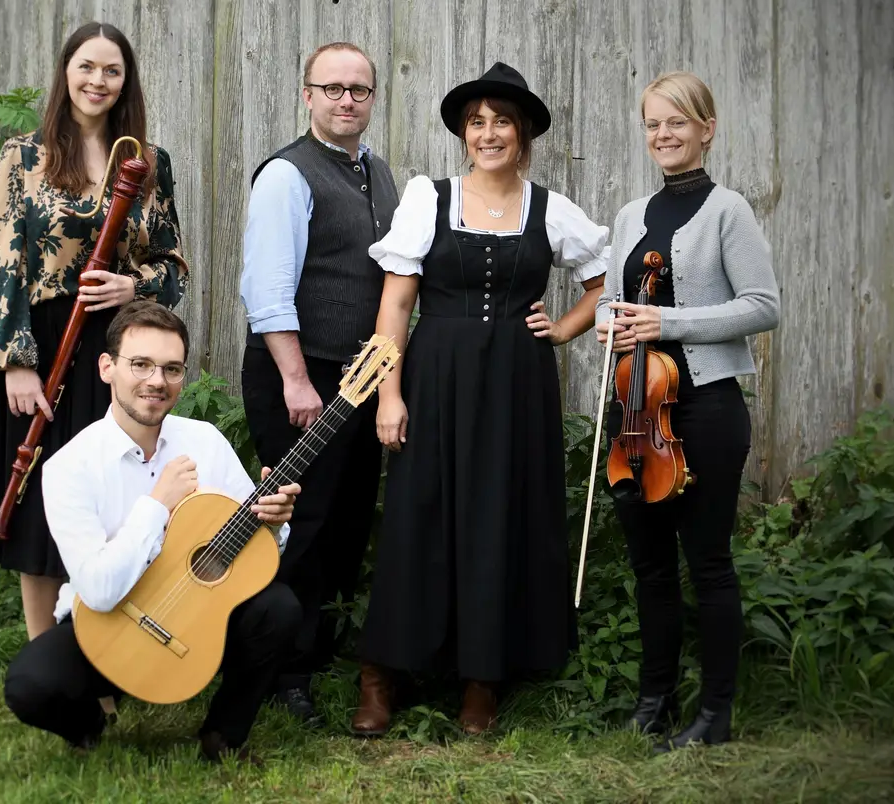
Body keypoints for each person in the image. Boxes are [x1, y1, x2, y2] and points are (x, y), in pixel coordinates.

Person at [352, 62, 609, 736]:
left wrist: (561, 330)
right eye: (477, 122)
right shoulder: (426, 199)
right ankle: (382, 675)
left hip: (518, 387)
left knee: (501, 520)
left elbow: (600, 286)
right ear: (464, 133)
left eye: (502, 122)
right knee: (417, 516)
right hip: (434, 378)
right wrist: (389, 395)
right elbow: (395, 306)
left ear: (522, 134)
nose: (488, 133)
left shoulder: (551, 209)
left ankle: (482, 678)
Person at [2, 302, 302, 762]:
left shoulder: (205, 441)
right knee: (29, 685)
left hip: (195, 618)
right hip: (106, 627)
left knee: (277, 607)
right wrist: (156, 505)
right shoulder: (69, 467)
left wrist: (272, 523)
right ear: (107, 368)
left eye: (171, 368)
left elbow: (253, 555)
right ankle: (89, 722)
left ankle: (223, 736)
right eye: (140, 364)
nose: (156, 381)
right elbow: (99, 591)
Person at [0, 21, 188, 640]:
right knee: (44, 503)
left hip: (119, 348)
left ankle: (106, 652)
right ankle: (46, 652)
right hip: (43, 341)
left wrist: (134, 286)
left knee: (110, 499)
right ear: (66, 70)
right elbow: (1, 262)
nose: (98, 81)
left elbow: (173, 264)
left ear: (127, 82)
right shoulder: (24, 155)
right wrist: (15, 360)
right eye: (87, 67)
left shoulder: (148, 162)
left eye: (112, 70)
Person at [595, 70, 780, 752]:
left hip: (705, 410)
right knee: (649, 566)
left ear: (706, 128)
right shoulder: (628, 216)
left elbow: (764, 305)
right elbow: (618, 308)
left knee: (707, 564)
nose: (663, 135)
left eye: (677, 122)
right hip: (637, 409)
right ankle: (655, 701)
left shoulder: (728, 210)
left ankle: (716, 713)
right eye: (652, 124)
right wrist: (610, 325)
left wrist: (665, 320)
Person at [238, 41, 398, 722]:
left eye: (358, 90)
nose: (345, 100)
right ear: (307, 96)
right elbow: (267, 290)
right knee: (299, 523)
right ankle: (281, 672)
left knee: (347, 520)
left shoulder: (380, 173)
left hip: (359, 378)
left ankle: (316, 646)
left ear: (372, 99)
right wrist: (297, 382)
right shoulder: (286, 174)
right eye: (331, 88)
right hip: (299, 376)